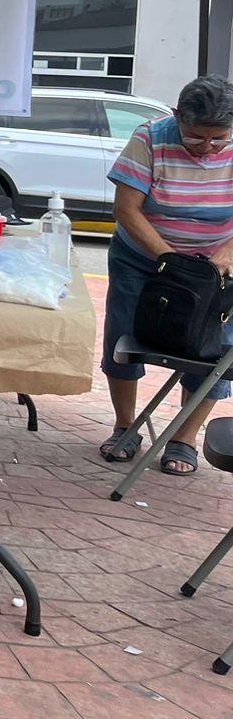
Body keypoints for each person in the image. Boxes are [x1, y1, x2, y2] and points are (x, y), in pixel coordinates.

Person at [101, 75, 233, 475]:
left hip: (217, 264)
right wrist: (169, 260)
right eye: (195, 139)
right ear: (176, 117)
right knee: (125, 335)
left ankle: (183, 439)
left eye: (219, 139)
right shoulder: (150, 138)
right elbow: (126, 209)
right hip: (143, 257)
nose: (207, 149)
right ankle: (126, 426)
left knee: (214, 349)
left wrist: (226, 253)